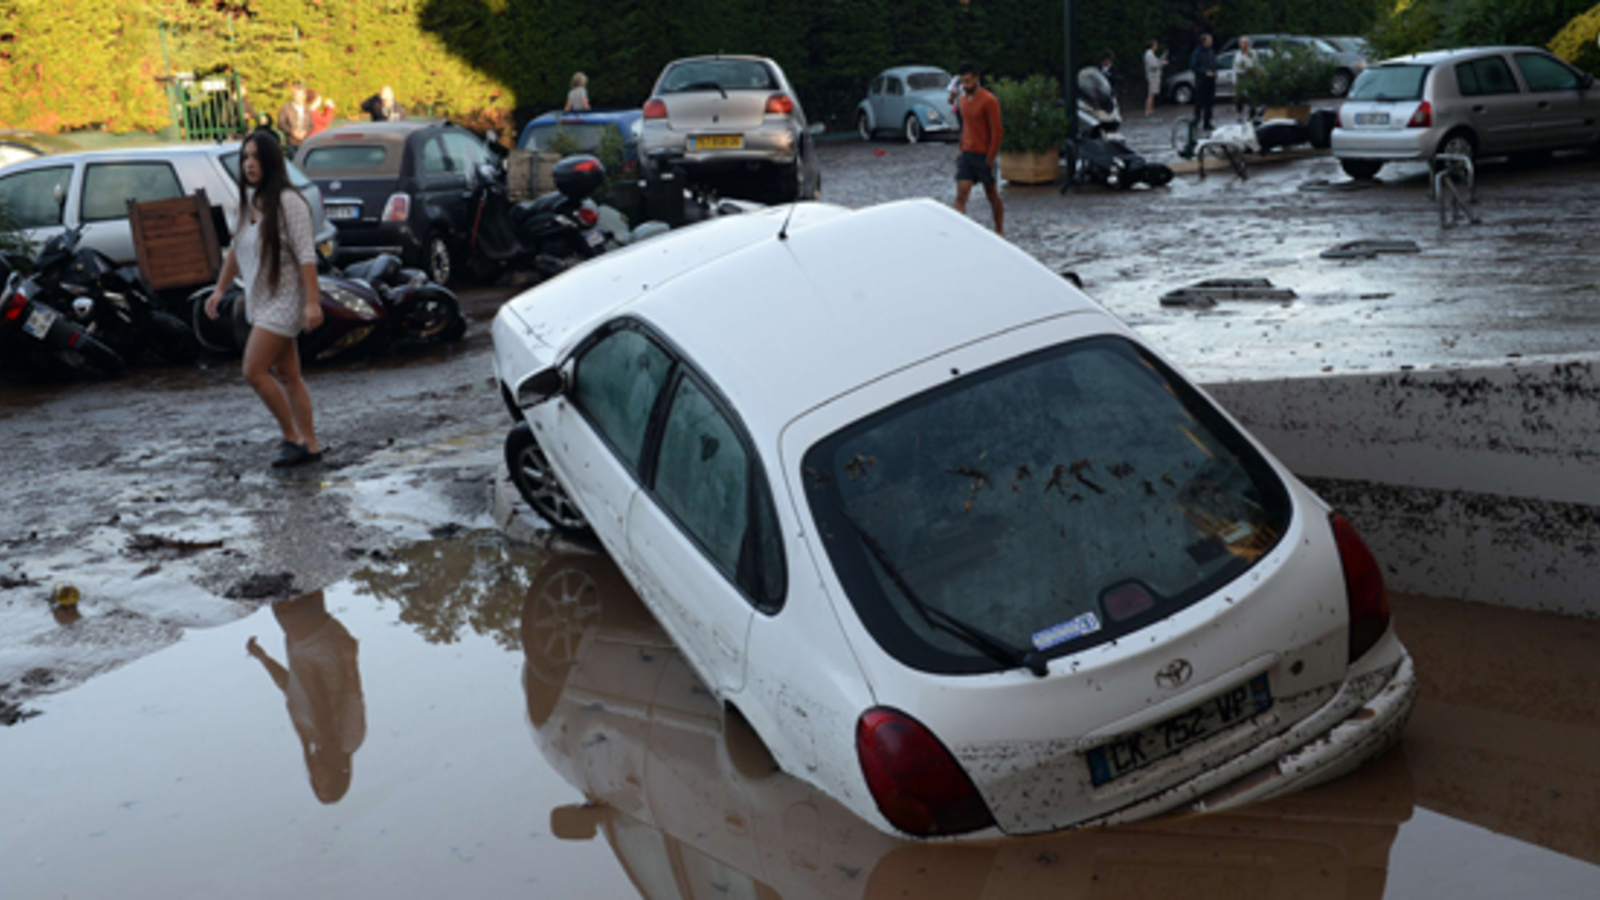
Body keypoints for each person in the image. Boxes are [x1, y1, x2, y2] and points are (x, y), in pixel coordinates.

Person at [204, 130, 325, 468]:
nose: (249, 164)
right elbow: (235, 251)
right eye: (245, 158)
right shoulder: (251, 202)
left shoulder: (289, 202)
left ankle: (292, 438)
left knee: (253, 370)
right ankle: (311, 445)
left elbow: (306, 255)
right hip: (261, 299)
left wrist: (312, 303)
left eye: (256, 157)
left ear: (271, 161)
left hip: (286, 300)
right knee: (288, 374)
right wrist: (219, 289)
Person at [247, 590, 365, 804]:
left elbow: (288, 686)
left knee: (286, 598)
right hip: (328, 652)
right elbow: (353, 696)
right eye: (327, 783)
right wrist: (350, 659)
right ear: (338, 775)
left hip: (298, 648)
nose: (320, 778)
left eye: (317, 784)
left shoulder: (308, 734)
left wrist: (263, 658)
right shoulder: (348, 741)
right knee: (289, 607)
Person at [953, 61, 1004, 237]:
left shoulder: (989, 101)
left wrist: (991, 155)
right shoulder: (962, 100)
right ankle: (958, 232)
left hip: (983, 155)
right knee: (961, 195)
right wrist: (962, 147)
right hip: (967, 154)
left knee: (991, 194)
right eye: (962, 82)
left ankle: (999, 229)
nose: (965, 85)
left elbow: (996, 130)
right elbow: (965, 125)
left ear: (976, 78)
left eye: (968, 81)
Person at [1191, 33, 1218, 131]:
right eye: (1209, 40)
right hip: (1201, 81)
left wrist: (1214, 72)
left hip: (1211, 81)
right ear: (1204, 41)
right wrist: (1205, 72)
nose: (1211, 42)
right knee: (1199, 102)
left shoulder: (1211, 52)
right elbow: (1194, 66)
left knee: (1209, 103)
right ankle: (1196, 121)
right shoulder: (1198, 52)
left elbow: (1214, 63)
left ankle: (1207, 122)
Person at [276, 85, 312, 152]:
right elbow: (280, 124)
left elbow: (310, 125)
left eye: (301, 96)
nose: (299, 98)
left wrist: (305, 132)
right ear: (293, 95)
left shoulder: (306, 109)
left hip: (304, 141)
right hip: (291, 142)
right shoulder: (286, 108)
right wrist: (292, 132)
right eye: (297, 96)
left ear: (304, 96)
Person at [1232, 36, 1259, 116]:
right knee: (1239, 97)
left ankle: (1252, 113)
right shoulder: (1237, 54)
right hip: (1240, 76)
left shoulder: (1253, 53)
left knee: (1250, 96)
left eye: (1245, 43)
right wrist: (1234, 81)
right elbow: (1235, 68)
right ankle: (1240, 113)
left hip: (1249, 75)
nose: (1243, 45)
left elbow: (1255, 65)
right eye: (1241, 43)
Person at [1144, 40, 1168, 117]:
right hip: (1152, 76)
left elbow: (1157, 61)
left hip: (1154, 76)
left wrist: (1163, 56)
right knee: (1151, 94)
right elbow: (1154, 65)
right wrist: (1163, 63)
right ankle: (1148, 111)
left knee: (1153, 93)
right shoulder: (1149, 55)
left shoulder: (1151, 54)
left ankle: (1151, 110)